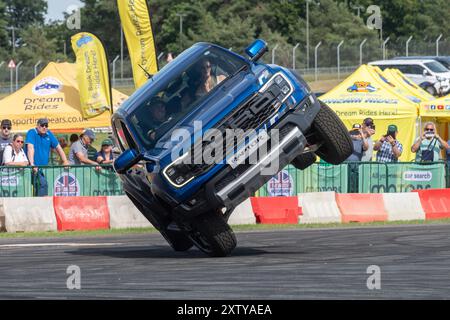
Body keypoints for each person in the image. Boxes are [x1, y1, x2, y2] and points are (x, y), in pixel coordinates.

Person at [26, 118, 69, 196]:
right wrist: (32, 163)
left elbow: (58, 148)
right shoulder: (32, 132)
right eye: (42, 125)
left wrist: (65, 161)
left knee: (42, 187)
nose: (44, 127)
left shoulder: (49, 133)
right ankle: (41, 205)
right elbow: (30, 148)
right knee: (43, 185)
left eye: (46, 125)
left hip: (44, 169)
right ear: (38, 125)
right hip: (32, 168)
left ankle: (39, 205)